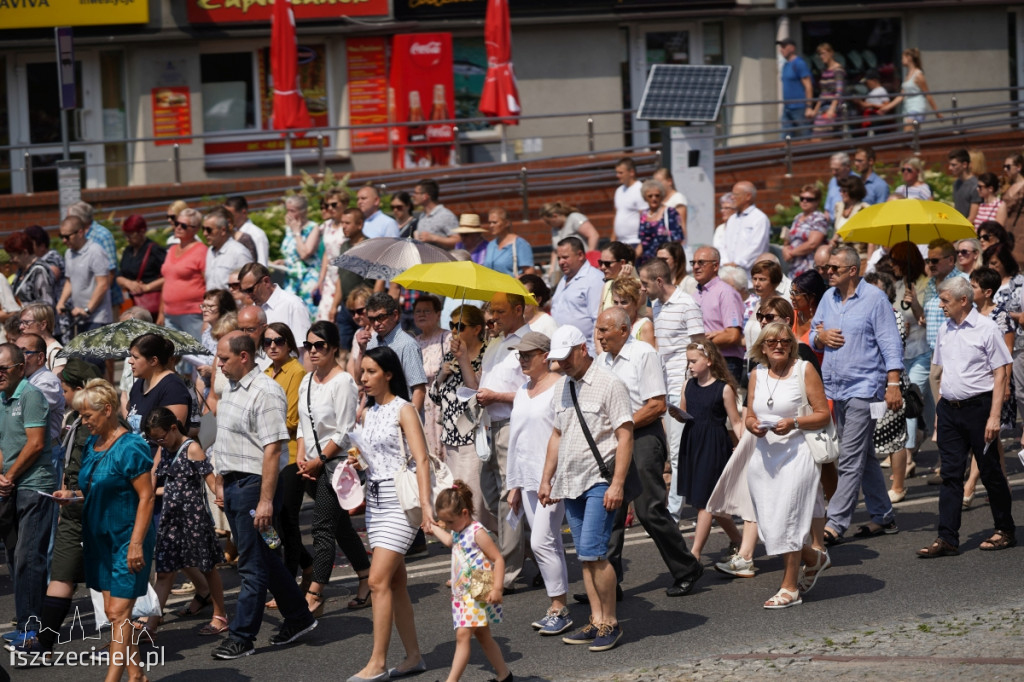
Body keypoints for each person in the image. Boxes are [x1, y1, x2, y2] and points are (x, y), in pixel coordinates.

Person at [209, 332, 317, 659]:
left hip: (255, 488)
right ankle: (298, 617)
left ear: (244, 357)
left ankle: (242, 637)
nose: (220, 365)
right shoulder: (229, 386)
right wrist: (219, 483)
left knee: (251, 565)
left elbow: (273, 449)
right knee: (266, 556)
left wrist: (266, 501)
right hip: (234, 486)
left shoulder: (266, 391)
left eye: (224, 359)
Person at [595, 308, 703, 598]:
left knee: (649, 509)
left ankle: (687, 568)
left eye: (605, 330)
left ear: (624, 330)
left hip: (642, 436)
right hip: (615, 439)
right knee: (611, 510)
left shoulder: (643, 354)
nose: (600, 336)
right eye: (598, 330)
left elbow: (656, 405)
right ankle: (609, 583)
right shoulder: (602, 360)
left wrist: (623, 425)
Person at [538, 325, 633, 652]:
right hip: (571, 481)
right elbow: (557, 435)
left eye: (565, 357)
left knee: (594, 551)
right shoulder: (562, 387)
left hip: (599, 480)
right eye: (557, 359)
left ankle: (610, 622)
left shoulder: (610, 383)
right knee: (585, 555)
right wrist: (546, 478)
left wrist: (617, 483)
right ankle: (595, 619)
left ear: (582, 348)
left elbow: (625, 435)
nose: (561, 364)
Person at [52, 379, 153, 680]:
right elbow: (99, 488)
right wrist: (73, 496)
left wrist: (136, 544)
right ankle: (136, 676)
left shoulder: (132, 446)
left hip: (126, 537)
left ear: (107, 410)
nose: (83, 422)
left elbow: (146, 496)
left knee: (117, 613)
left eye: (87, 416)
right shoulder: (93, 445)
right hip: (99, 538)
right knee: (115, 612)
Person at [347, 346, 432, 682]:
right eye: (362, 372)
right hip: (375, 502)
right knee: (396, 582)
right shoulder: (366, 413)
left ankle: (378, 663)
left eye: (370, 372)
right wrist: (358, 461)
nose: (363, 378)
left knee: (377, 580)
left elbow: (421, 459)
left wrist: (426, 506)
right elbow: (375, 458)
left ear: (388, 374)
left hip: (400, 504)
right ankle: (413, 657)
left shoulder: (404, 409)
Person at [9, 360, 100, 665]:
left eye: (64, 389)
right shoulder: (77, 420)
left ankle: (129, 646)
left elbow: (102, 471)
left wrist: (75, 492)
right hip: (69, 506)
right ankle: (41, 643)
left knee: (112, 588)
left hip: (90, 508)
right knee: (59, 573)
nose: (60, 395)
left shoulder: (98, 425)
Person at [918, 277, 1016, 557]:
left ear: (963, 300)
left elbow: (1001, 373)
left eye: (945, 300)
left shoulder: (987, 329)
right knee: (950, 474)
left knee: (989, 471)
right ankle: (947, 537)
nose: (941, 305)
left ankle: (1005, 529)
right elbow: (942, 372)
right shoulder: (945, 330)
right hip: (949, 410)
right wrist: (939, 412)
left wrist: (994, 416)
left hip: (979, 409)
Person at [812, 246, 904, 544]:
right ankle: (883, 516)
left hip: (865, 387)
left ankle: (835, 523)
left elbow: (890, 344)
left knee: (850, 456)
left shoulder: (875, 299)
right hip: (835, 386)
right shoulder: (828, 298)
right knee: (864, 454)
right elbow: (815, 332)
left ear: (853, 270)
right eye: (827, 268)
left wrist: (893, 384)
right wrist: (820, 337)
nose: (828, 272)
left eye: (834, 268)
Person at [744, 323, 832, 608]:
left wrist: (793, 422)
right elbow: (748, 413)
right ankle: (814, 558)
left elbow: (822, 415)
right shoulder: (756, 373)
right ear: (763, 346)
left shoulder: (803, 369)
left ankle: (790, 587)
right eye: (771, 342)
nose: (778, 345)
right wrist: (753, 425)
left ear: (791, 344)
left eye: (784, 341)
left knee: (788, 520)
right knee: (771, 525)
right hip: (765, 456)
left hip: (799, 453)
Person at [297, 322, 373, 616]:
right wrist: (303, 457)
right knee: (340, 526)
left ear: (332, 348)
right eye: (309, 346)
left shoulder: (343, 382)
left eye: (320, 346)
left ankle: (315, 593)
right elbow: (304, 425)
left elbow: (344, 431)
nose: (313, 351)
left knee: (322, 528)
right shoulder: (307, 381)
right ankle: (365, 576)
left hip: (336, 466)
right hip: (312, 466)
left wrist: (320, 460)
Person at [504, 332, 571, 633]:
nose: (522, 360)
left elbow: (564, 435)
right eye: (519, 355)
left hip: (552, 478)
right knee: (550, 542)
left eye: (528, 354)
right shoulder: (522, 390)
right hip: (528, 477)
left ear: (546, 355)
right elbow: (516, 440)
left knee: (540, 541)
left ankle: (558, 606)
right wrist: (514, 484)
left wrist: (553, 476)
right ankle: (561, 607)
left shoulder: (561, 387)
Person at [144, 407, 229, 637]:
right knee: (164, 572)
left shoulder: (191, 448)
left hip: (193, 519)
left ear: (173, 428)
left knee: (207, 567)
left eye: (161, 437)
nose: (159, 442)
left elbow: (210, 481)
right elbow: (171, 484)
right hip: (171, 519)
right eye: (155, 439)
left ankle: (220, 615)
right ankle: (151, 625)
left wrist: (221, 496)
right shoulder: (165, 449)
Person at [638, 257, 705, 521]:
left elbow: (699, 345)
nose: (643, 289)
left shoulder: (687, 304)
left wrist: (690, 385)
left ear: (659, 280)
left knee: (677, 453)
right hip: (663, 387)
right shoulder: (656, 304)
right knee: (670, 450)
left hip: (680, 386)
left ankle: (673, 513)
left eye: (645, 283)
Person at [0, 343, 57, 647]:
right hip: (11, 486)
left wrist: (8, 476)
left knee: (28, 556)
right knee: (14, 557)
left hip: (34, 485)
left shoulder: (31, 395)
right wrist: (2, 476)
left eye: (3, 369)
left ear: (20, 368)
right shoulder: (1, 398)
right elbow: (2, 444)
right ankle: (25, 622)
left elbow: (35, 444)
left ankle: (32, 629)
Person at [474, 293, 531, 589]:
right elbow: (482, 385)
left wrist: (497, 397)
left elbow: (534, 390)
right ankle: (530, 549)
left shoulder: (528, 342)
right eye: (490, 310)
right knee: (490, 494)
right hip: (489, 425)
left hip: (513, 424)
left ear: (518, 310)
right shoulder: (495, 343)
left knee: (510, 497)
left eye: (499, 311)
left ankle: (506, 571)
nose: (492, 317)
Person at [428, 482, 510, 682]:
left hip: (478, 586)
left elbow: (498, 559)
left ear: (465, 513)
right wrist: (432, 527)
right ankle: (504, 675)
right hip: (462, 592)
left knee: (463, 635)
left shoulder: (477, 532)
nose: (446, 526)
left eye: (449, 522)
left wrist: (497, 588)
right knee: (483, 635)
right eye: (444, 523)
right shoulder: (458, 529)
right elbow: (450, 541)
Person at [429, 304, 496, 530]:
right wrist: (440, 376)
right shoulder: (450, 356)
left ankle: (486, 547)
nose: (454, 332)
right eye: (451, 326)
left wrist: (464, 360)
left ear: (477, 329)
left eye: (460, 326)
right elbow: (435, 397)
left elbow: (476, 395)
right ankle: (467, 550)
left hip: (473, 438)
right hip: (451, 440)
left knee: (474, 502)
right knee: (456, 498)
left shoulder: (487, 355)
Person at [260, 322, 313, 604]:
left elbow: (291, 419)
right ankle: (308, 565)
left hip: (292, 454)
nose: (272, 346)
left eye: (278, 340)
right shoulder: (267, 373)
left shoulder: (297, 372)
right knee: (280, 521)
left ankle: (289, 585)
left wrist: (263, 426)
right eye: (267, 341)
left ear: (290, 343)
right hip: (271, 455)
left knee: (288, 519)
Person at [678, 340, 744, 560]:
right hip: (693, 443)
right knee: (715, 503)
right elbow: (684, 411)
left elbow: (735, 421)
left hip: (714, 446)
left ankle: (694, 553)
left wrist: (743, 444)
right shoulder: (688, 385)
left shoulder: (723, 388)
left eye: (694, 361)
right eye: (688, 361)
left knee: (705, 501)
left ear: (708, 360)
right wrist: (677, 414)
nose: (690, 366)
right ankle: (738, 540)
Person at [359, 291, 428, 412]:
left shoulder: (407, 345)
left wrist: (408, 424)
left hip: (400, 417)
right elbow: (360, 379)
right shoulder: (371, 342)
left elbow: (419, 390)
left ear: (395, 315)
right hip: (376, 414)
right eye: (371, 319)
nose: (376, 323)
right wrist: (361, 349)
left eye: (381, 317)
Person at [692, 246, 746, 383]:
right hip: (702, 361)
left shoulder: (726, 293)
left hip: (725, 362)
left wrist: (700, 344)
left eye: (701, 262)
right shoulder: (695, 294)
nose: (696, 267)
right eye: (694, 263)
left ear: (715, 266)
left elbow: (733, 335)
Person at [238, 262, 311, 360]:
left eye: (250, 289)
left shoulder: (293, 304)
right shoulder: (252, 309)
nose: (248, 295)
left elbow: (304, 350)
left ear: (266, 281)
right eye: (244, 291)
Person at [124, 333, 193, 436]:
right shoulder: (139, 384)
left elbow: (171, 437)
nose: (130, 361)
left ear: (153, 361)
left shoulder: (173, 388)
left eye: (135, 357)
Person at [55, 215, 113, 332]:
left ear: (80, 232)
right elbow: (69, 281)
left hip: (98, 317)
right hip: (79, 316)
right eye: (61, 236)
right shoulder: (69, 253)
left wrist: (88, 309)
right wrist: (61, 302)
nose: (64, 240)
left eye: (67, 236)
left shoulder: (95, 251)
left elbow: (103, 284)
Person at [160, 207, 208, 341]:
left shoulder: (201, 251)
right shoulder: (172, 249)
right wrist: (161, 312)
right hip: (170, 313)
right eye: (177, 223)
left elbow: (209, 284)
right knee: (174, 356)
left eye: (184, 225)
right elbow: (167, 281)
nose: (178, 228)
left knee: (196, 356)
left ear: (195, 228)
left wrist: (208, 313)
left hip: (193, 313)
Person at [551, 236, 605, 352]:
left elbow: (598, 320)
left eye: (565, 257)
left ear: (580, 255)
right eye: (559, 258)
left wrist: (593, 354)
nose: (561, 262)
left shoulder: (594, 279)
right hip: (561, 352)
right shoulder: (564, 279)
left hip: (584, 354)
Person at [413, 295, 450, 456]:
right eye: (418, 311)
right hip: (420, 402)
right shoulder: (413, 342)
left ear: (438, 315)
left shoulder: (447, 338)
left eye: (427, 311)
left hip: (441, 402)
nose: (421, 314)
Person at [275, 195, 323, 316]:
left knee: (306, 316)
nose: (289, 214)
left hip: (307, 280)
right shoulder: (289, 229)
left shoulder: (313, 228)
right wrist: (284, 261)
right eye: (287, 210)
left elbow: (305, 254)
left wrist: (297, 232)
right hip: (291, 280)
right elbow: (292, 254)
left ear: (303, 212)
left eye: (292, 211)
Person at [878, 48, 941, 131]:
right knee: (915, 136)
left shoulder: (918, 75)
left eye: (903, 58)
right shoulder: (907, 76)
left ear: (909, 58)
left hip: (917, 108)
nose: (901, 60)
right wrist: (887, 107)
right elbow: (901, 96)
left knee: (906, 134)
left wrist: (937, 112)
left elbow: (928, 95)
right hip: (908, 108)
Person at [117, 214, 166, 318]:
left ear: (142, 232)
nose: (127, 239)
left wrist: (147, 287)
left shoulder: (155, 250)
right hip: (130, 304)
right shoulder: (128, 251)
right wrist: (128, 283)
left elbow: (169, 276)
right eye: (125, 235)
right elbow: (119, 275)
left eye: (130, 235)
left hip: (151, 305)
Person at [541, 201, 600, 281]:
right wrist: (552, 269)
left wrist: (590, 257)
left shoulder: (574, 218)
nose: (549, 225)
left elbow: (593, 235)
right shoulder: (554, 229)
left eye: (548, 222)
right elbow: (555, 251)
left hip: (582, 264)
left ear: (555, 216)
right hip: (566, 270)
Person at [719, 182, 770, 271]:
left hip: (750, 275)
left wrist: (737, 263)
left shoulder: (759, 219)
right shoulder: (732, 219)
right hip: (729, 273)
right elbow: (724, 244)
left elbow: (757, 247)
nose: (732, 197)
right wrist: (725, 263)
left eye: (735, 194)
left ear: (748, 196)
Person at [203, 207, 254, 292]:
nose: (205, 233)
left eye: (209, 230)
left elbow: (248, 287)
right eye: (203, 229)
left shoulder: (239, 253)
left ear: (223, 230)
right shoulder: (210, 251)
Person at [782, 185, 829, 278]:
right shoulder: (797, 217)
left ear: (817, 201)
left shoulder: (819, 218)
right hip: (794, 267)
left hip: (809, 267)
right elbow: (788, 239)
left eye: (809, 199)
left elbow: (812, 244)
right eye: (802, 198)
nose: (804, 201)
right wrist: (785, 249)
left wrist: (791, 253)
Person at [315, 190, 347, 322]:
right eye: (327, 205)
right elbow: (326, 254)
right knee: (324, 317)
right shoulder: (326, 226)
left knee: (340, 317)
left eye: (334, 205)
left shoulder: (348, 224)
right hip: (330, 277)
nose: (330, 208)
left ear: (344, 204)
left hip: (345, 275)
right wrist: (320, 280)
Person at [636, 179, 684, 264]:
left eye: (657, 195)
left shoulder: (670, 212)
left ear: (661, 196)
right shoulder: (643, 215)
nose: (654, 198)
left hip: (664, 262)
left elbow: (677, 240)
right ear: (645, 197)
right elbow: (642, 242)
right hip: (646, 263)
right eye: (650, 196)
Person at [6, 231, 54, 306]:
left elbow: (46, 305)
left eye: (13, 257)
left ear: (25, 253)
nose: (11, 260)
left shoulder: (39, 271)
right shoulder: (21, 270)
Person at [777, 37, 813, 138]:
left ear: (792, 48)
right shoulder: (786, 65)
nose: (781, 49)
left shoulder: (799, 64)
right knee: (785, 137)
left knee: (805, 135)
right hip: (787, 108)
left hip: (799, 108)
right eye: (781, 47)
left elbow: (808, 86)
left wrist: (809, 107)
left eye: (784, 47)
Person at [483, 207, 535, 277]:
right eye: (489, 223)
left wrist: (515, 281)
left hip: (512, 286)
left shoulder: (520, 244)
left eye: (495, 222)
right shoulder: (491, 245)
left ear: (506, 223)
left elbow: (529, 272)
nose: (491, 226)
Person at [608, 276, 655, 347]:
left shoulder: (645, 326)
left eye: (624, 302)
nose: (619, 307)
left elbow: (650, 357)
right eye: (615, 302)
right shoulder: (610, 324)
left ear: (635, 302)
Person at [413, 179, 460, 249]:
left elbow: (458, 241)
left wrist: (434, 238)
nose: (413, 196)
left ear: (425, 196)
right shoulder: (422, 215)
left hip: (443, 259)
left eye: (416, 193)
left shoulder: (445, 215)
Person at [19, 303, 65, 374]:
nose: (21, 327)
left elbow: (55, 384)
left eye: (26, 322)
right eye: (21, 322)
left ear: (42, 325)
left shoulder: (56, 354)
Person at [811, 43, 846, 136]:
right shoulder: (824, 71)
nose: (822, 56)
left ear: (831, 53)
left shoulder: (838, 70)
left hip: (833, 106)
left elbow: (839, 91)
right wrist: (815, 110)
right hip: (823, 106)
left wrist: (832, 108)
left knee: (824, 134)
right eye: (820, 54)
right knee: (817, 133)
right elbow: (823, 93)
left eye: (824, 53)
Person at [225, 196, 270, 267]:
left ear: (244, 212)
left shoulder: (257, 234)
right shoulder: (230, 232)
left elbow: (262, 265)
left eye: (231, 215)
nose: (227, 218)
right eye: (226, 214)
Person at [596, 240, 637, 315]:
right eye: (601, 263)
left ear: (622, 263)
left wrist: (622, 280)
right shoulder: (607, 285)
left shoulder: (638, 285)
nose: (602, 267)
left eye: (607, 263)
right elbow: (599, 316)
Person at [612, 157, 646, 248]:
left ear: (631, 172)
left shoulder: (640, 189)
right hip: (620, 242)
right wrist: (612, 240)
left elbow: (645, 218)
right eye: (617, 172)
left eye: (621, 173)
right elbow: (617, 216)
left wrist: (642, 244)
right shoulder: (619, 191)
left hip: (635, 241)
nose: (617, 175)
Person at [947, 148, 981, 224]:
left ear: (964, 165)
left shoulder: (975, 186)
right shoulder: (957, 183)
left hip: (968, 230)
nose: (950, 168)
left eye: (954, 165)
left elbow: (972, 217)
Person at [519, 274, 559, 338]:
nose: (519, 300)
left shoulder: (548, 323)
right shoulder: (517, 320)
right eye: (517, 296)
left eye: (525, 297)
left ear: (538, 300)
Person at [1001, 154, 1024, 261]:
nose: (1005, 169)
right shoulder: (1007, 186)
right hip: (1008, 232)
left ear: (1018, 167)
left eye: (1008, 166)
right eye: (1004, 166)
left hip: (1021, 231)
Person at [823, 153, 855, 222]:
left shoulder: (856, 181)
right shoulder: (833, 181)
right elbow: (827, 208)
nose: (833, 173)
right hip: (832, 225)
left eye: (837, 170)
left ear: (847, 167)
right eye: (832, 169)